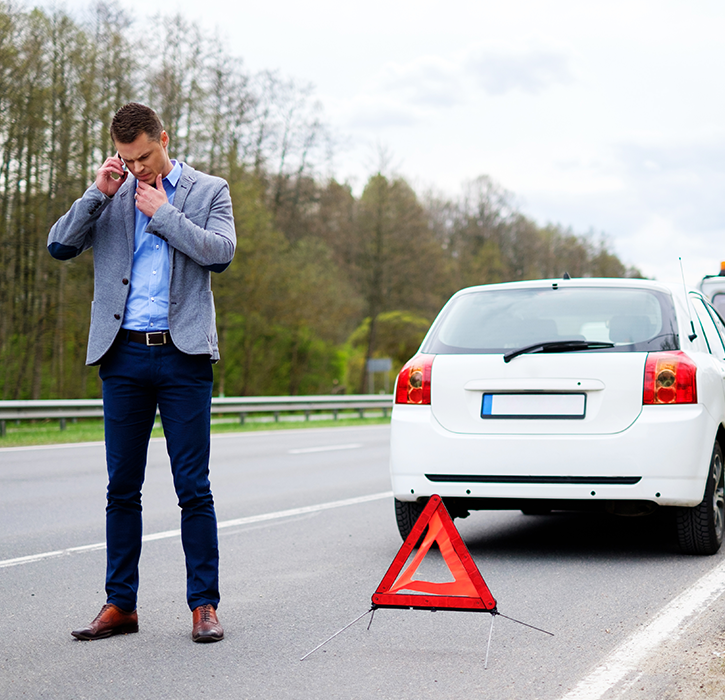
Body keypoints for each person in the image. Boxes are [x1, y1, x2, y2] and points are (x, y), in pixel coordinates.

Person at [48, 102, 236, 643]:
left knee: (192, 489)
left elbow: (221, 254)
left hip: (183, 356)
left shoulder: (208, 190)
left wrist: (165, 215)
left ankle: (204, 605)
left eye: (145, 156)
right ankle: (119, 605)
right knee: (121, 488)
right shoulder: (112, 192)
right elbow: (59, 245)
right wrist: (97, 194)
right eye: (128, 160)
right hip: (123, 356)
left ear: (164, 139)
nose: (138, 169)